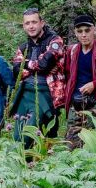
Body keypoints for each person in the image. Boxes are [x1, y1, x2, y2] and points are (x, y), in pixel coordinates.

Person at [10, 8, 67, 145]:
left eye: (34, 22)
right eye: (27, 23)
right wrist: (35, 66)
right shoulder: (24, 47)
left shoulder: (55, 40)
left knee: (42, 133)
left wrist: (27, 65)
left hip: (48, 93)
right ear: (24, 26)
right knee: (18, 134)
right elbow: (16, 69)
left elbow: (44, 64)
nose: (31, 26)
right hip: (26, 92)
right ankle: (24, 162)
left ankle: (46, 163)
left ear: (42, 23)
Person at [63, 14, 96, 143]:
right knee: (71, 143)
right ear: (75, 33)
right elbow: (66, 74)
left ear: (94, 30)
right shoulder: (72, 51)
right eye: (80, 31)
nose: (84, 35)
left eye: (87, 30)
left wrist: (95, 84)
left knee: (94, 143)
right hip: (75, 104)